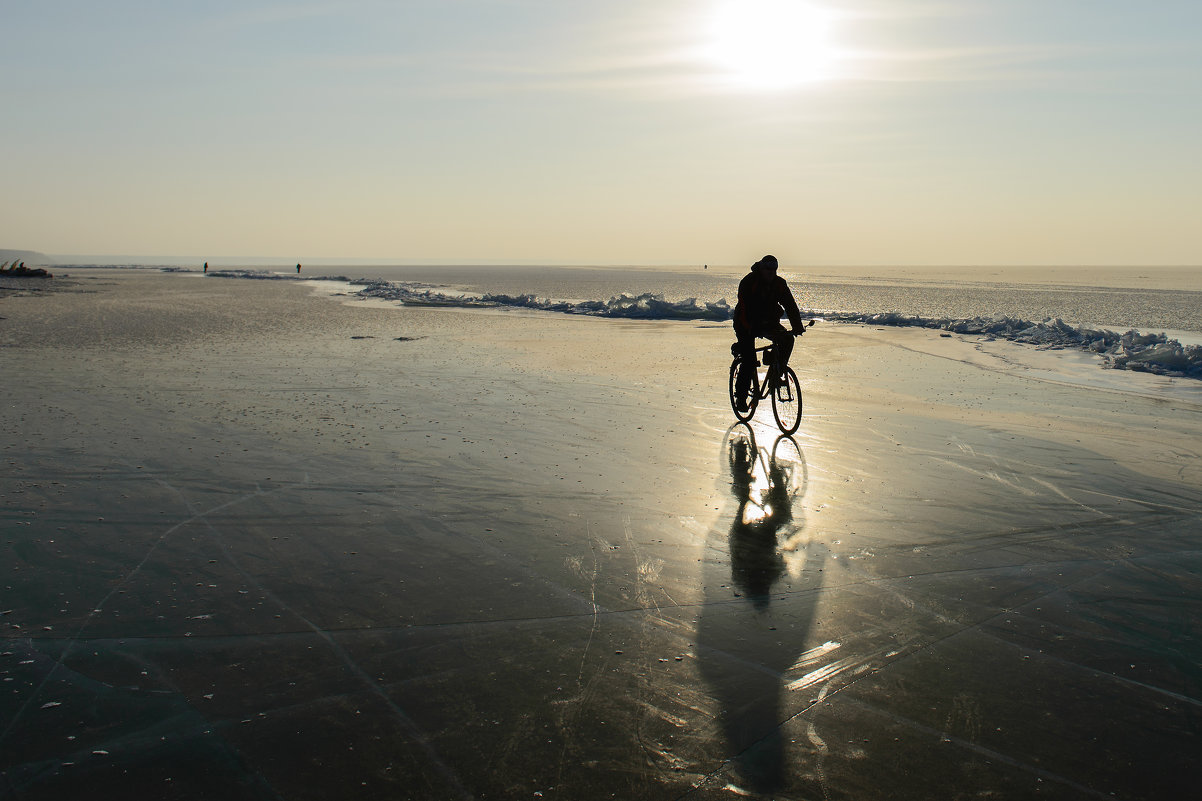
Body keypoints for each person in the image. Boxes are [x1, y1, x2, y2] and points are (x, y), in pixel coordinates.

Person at [732, 255, 803, 411]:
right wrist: (750, 328)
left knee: (787, 340)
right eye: (768, 269)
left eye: (774, 270)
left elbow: (790, 306)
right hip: (745, 323)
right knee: (749, 360)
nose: (771, 273)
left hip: (768, 321)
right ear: (761, 269)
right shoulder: (749, 282)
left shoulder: (779, 284)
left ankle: (777, 372)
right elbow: (744, 310)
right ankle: (741, 398)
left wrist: (797, 326)